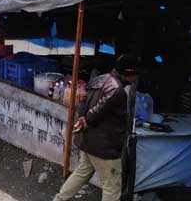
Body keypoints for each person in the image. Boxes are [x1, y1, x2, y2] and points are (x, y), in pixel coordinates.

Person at [54, 54, 141, 201]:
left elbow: (82, 103)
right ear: (128, 72)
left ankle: (59, 199)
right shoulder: (117, 91)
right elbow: (97, 112)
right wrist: (86, 119)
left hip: (87, 141)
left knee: (82, 173)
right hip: (104, 148)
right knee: (112, 187)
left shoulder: (100, 79)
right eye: (135, 74)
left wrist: (82, 119)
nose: (135, 79)